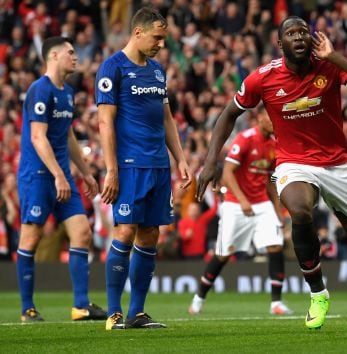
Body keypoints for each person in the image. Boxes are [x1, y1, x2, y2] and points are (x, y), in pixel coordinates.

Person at [196, 16, 347, 332]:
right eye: (291, 33)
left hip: (337, 164)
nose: (298, 37)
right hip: (294, 163)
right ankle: (318, 294)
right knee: (299, 210)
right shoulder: (263, 78)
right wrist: (211, 159)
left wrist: (334, 56)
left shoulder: (328, 66)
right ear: (280, 44)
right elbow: (229, 114)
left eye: (303, 32)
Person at [96, 7, 192, 330]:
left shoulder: (157, 71)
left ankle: (137, 312)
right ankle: (113, 312)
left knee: (150, 234)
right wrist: (111, 169)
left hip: (158, 166)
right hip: (129, 165)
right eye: (157, 38)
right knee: (124, 230)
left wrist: (180, 159)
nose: (161, 45)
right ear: (138, 33)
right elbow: (104, 122)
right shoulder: (113, 68)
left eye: (163, 39)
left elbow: (166, 119)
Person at [16, 36, 107, 323]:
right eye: (70, 52)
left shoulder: (67, 92)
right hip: (38, 177)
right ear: (53, 56)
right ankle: (27, 307)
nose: (75, 57)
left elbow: (67, 136)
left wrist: (85, 172)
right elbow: (36, 136)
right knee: (31, 237)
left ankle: (80, 306)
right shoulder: (38, 91)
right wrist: (58, 174)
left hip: (62, 176)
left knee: (82, 232)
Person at [189, 111, 293, 316]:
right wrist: (243, 200)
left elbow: (269, 180)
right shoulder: (245, 139)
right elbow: (227, 172)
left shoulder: (273, 145)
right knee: (224, 254)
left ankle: (276, 303)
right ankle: (199, 298)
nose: (274, 122)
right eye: (271, 117)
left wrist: (277, 208)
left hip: (261, 204)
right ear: (259, 118)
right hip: (236, 204)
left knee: (275, 246)